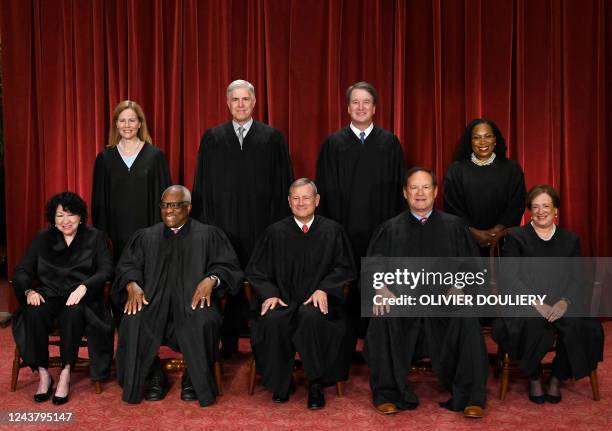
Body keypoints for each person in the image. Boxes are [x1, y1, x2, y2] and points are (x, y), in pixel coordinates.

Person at [364, 167, 488, 418]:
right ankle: (388, 394)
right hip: (403, 301)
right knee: (382, 317)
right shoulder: (390, 229)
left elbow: (472, 266)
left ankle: (470, 396)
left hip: (444, 302)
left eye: (425, 187)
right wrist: (380, 287)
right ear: (405, 193)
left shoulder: (454, 227)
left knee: (467, 319)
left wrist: (461, 284)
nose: (420, 193)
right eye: (414, 188)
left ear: (435, 191)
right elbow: (374, 264)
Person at [112, 185, 243, 407]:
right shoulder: (146, 237)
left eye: (175, 206)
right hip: (153, 302)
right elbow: (127, 266)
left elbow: (228, 266)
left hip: (193, 302)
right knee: (132, 320)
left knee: (205, 319)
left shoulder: (208, 234)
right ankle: (154, 375)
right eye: (164, 206)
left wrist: (211, 279)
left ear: (188, 207)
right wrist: (132, 284)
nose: (168, 211)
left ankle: (194, 377)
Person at [192, 79, 293, 356]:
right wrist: (205, 228)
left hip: (261, 225)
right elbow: (202, 184)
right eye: (234, 100)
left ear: (254, 102)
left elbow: (283, 185)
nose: (240, 104)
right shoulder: (213, 138)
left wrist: (279, 228)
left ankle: (262, 344)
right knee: (225, 276)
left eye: (245, 99)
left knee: (260, 279)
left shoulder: (272, 138)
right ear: (227, 103)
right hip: (222, 226)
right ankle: (228, 341)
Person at [246, 178, 356, 409]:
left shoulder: (332, 231)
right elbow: (256, 271)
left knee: (312, 316)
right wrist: (270, 294)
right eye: (295, 198)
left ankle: (316, 383)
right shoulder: (274, 233)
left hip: (317, 301)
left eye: (306, 197)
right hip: (283, 299)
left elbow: (345, 268)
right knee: (274, 319)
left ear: (316, 200)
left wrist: (325, 288)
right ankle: (281, 383)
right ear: (288, 201)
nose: (301, 203)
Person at [493, 185, 604, 404]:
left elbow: (576, 278)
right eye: (535, 207)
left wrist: (564, 302)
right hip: (526, 302)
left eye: (546, 206)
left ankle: (556, 376)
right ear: (529, 211)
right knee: (529, 323)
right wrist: (537, 304)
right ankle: (533, 376)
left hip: (561, 301)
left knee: (583, 327)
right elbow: (510, 278)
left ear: (555, 211)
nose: (540, 211)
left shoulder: (570, 240)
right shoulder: (516, 237)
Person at [315, 81, 406, 338]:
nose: (361, 107)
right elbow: (323, 189)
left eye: (366, 102)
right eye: (355, 102)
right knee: (345, 280)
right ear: (347, 108)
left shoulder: (389, 143)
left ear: (375, 107)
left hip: (380, 229)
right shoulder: (333, 144)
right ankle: (345, 339)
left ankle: (376, 339)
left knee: (378, 280)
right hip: (343, 228)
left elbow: (401, 190)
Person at [11, 192, 114, 405]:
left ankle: (66, 373)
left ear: (80, 216)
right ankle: (43, 374)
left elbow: (106, 270)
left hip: (80, 297)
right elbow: (22, 270)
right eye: (59, 216)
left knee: (73, 312)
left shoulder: (94, 237)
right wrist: (29, 291)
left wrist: (86, 286)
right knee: (33, 311)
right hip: (49, 294)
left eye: (70, 215)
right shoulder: (43, 238)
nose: (65, 221)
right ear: (53, 218)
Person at [92, 100, 171, 262]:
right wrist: (103, 239)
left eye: (132, 120)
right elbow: (98, 203)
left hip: (149, 235)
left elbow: (165, 200)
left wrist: (160, 235)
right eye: (122, 120)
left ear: (140, 123)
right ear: (116, 124)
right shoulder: (105, 158)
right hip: (115, 235)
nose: (127, 125)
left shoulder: (155, 156)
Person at [444, 118, 525, 253]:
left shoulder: (511, 169)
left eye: (488, 136)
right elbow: (452, 206)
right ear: (470, 142)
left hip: (502, 244)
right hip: (466, 243)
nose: (482, 142)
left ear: (495, 139)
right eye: (477, 137)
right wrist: (473, 232)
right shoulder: (456, 170)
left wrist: (497, 232)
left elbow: (517, 203)